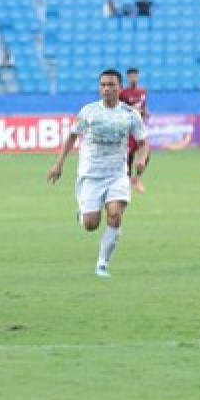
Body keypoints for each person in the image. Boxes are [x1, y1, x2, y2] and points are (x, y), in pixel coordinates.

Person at [46, 69, 149, 278]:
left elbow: (144, 141)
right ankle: (83, 213)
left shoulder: (130, 114)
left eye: (111, 85)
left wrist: (140, 159)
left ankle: (102, 264)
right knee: (91, 224)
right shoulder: (88, 112)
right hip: (91, 175)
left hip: (118, 174)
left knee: (114, 215)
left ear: (120, 88)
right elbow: (72, 137)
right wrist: (59, 164)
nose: (106, 89)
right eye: (103, 85)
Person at [118, 67, 151, 193]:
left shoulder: (143, 92)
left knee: (146, 154)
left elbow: (144, 106)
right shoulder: (122, 93)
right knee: (128, 157)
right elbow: (118, 108)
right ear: (128, 77)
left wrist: (146, 112)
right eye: (131, 76)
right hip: (128, 129)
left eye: (135, 76)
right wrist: (131, 111)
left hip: (140, 128)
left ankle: (137, 179)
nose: (133, 78)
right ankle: (125, 182)